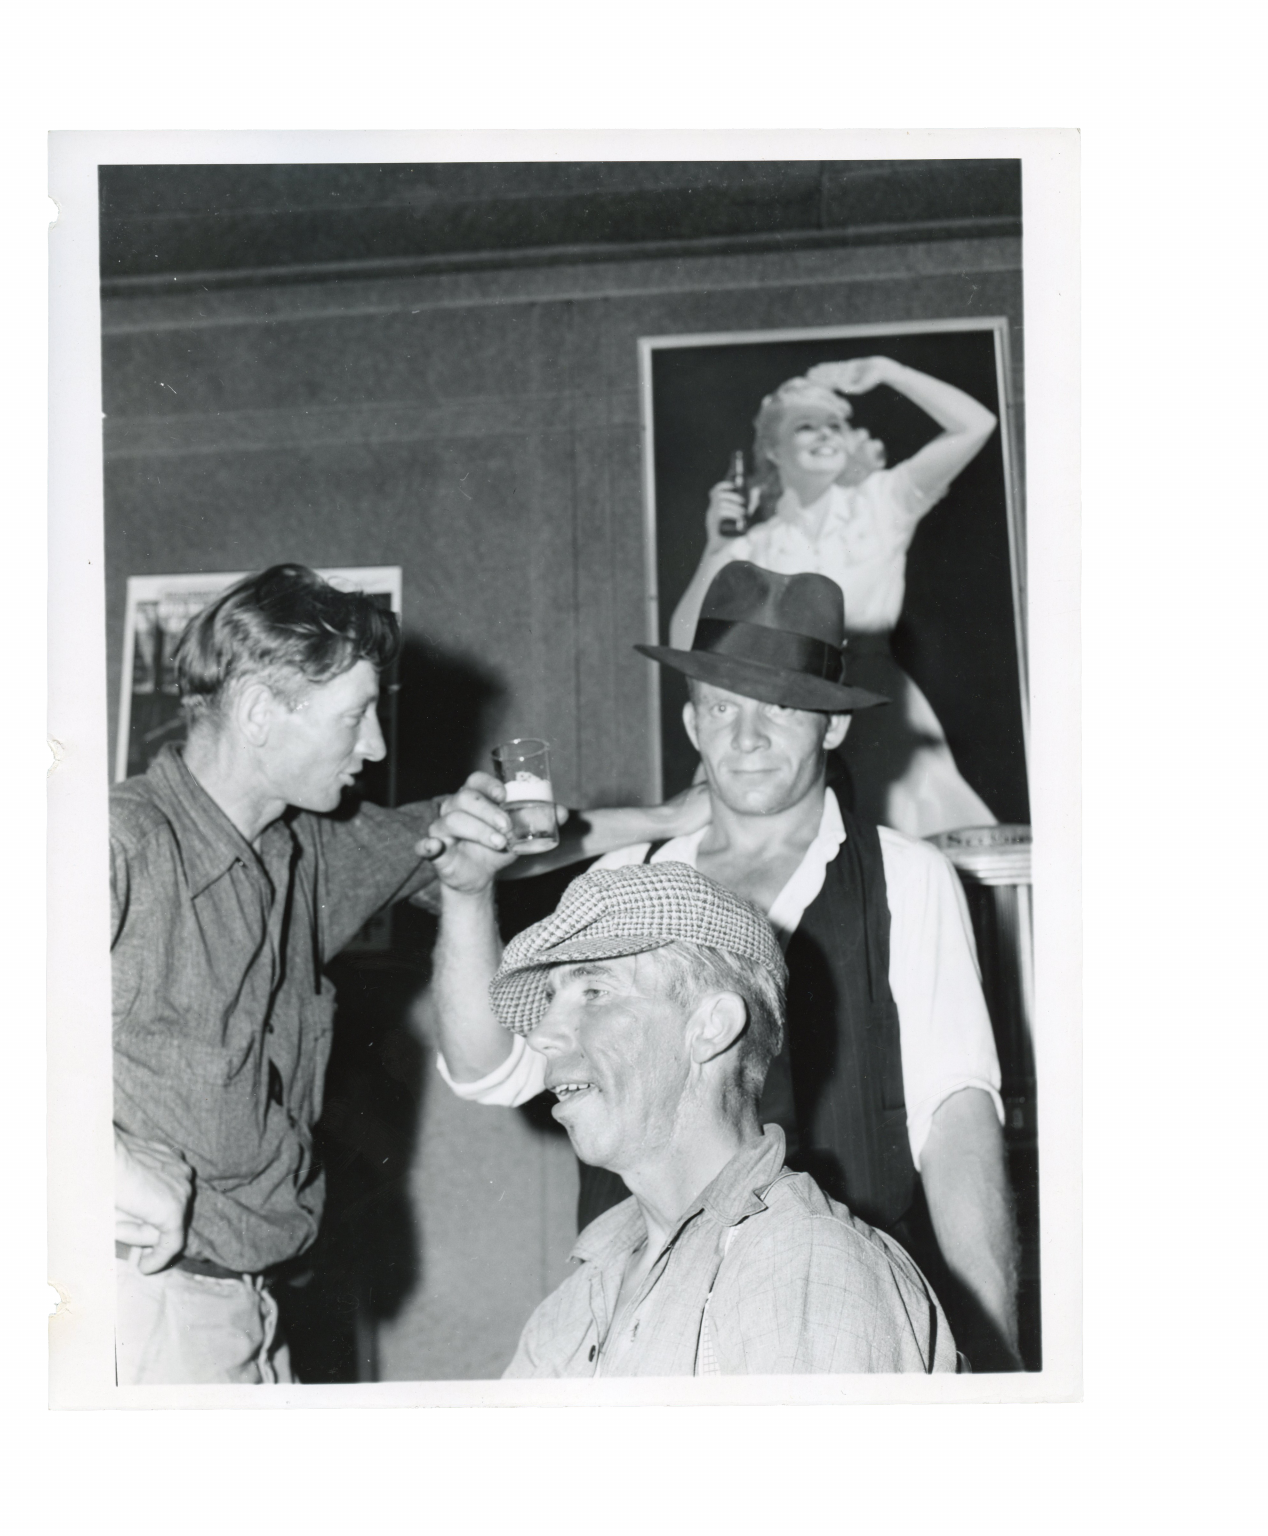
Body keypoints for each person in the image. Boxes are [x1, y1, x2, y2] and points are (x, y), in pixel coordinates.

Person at [110, 562, 704, 1384]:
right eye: (354, 718)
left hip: (255, 1305)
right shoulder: (115, 844)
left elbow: (493, 836)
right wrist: (100, 1157)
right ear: (255, 712)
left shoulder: (300, 850)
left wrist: (671, 817)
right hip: (144, 1309)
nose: (375, 746)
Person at [429, 563, 1021, 1369]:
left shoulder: (904, 877)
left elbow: (956, 1125)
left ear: (833, 727)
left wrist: (995, 1359)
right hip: (648, 1300)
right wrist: (466, 897)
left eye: (781, 709)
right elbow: (487, 1068)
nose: (746, 738)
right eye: (722, 708)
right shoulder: (624, 880)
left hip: (824, 1308)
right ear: (691, 723)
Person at [484, 860, 957, 1375]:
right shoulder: (577, 1300)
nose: (540, 1035)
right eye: (551, 1000)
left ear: (711, 1028)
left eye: (594, 992)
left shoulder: (803, 1267)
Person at [669, 355, 999, 838]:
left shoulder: (885, 503)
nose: (826, 434)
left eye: (837, 424)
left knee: (905, 849)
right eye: (807, 426)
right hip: (785, 716)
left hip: (879, 710)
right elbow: (686, 644)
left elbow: (976, 425)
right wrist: (714, 548)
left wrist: (889, 370)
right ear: (774, 450)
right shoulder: (756, 544)